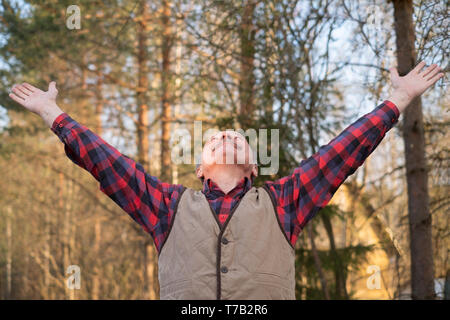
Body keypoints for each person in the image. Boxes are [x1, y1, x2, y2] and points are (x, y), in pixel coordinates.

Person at [8, 62, 443, 300]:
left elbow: (341, 154)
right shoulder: (167, 205)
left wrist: (400, 97)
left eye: (236, 138)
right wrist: (52, 114)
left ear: (254, 168)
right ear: (199, 170)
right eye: (215, 139)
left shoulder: (284, 202)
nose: (226, 137)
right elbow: (107, 163)